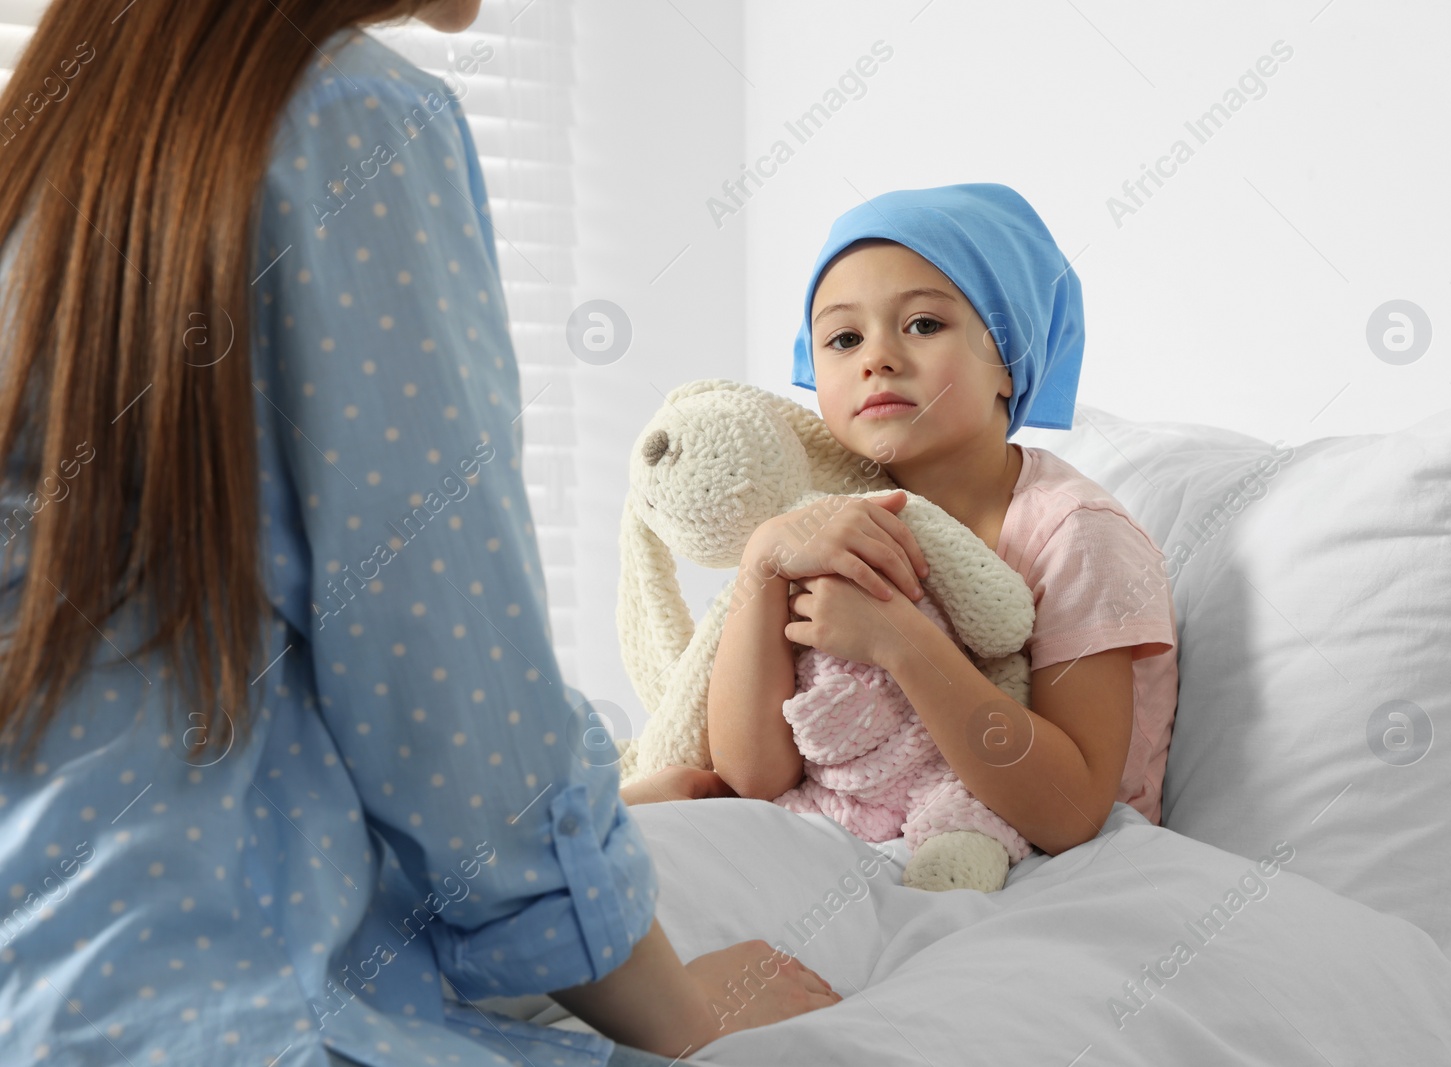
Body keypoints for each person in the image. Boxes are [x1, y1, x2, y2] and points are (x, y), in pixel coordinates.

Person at [0, 2, 838, 1065]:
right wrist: (688, 1016)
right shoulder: (351, 114)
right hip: (236, 1005)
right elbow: (451, 680)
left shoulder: (47, 145)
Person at [707, 184, 1180, 859]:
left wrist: (899, 641)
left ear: (1009, 365)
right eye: (843, 338)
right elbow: (753, 777)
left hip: (1047, 871)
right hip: (874, 849)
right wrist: (763, 559)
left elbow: (1073, 812)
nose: (877, 358)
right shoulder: (833, 520)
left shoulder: (1077, 534)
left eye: (924, 324)